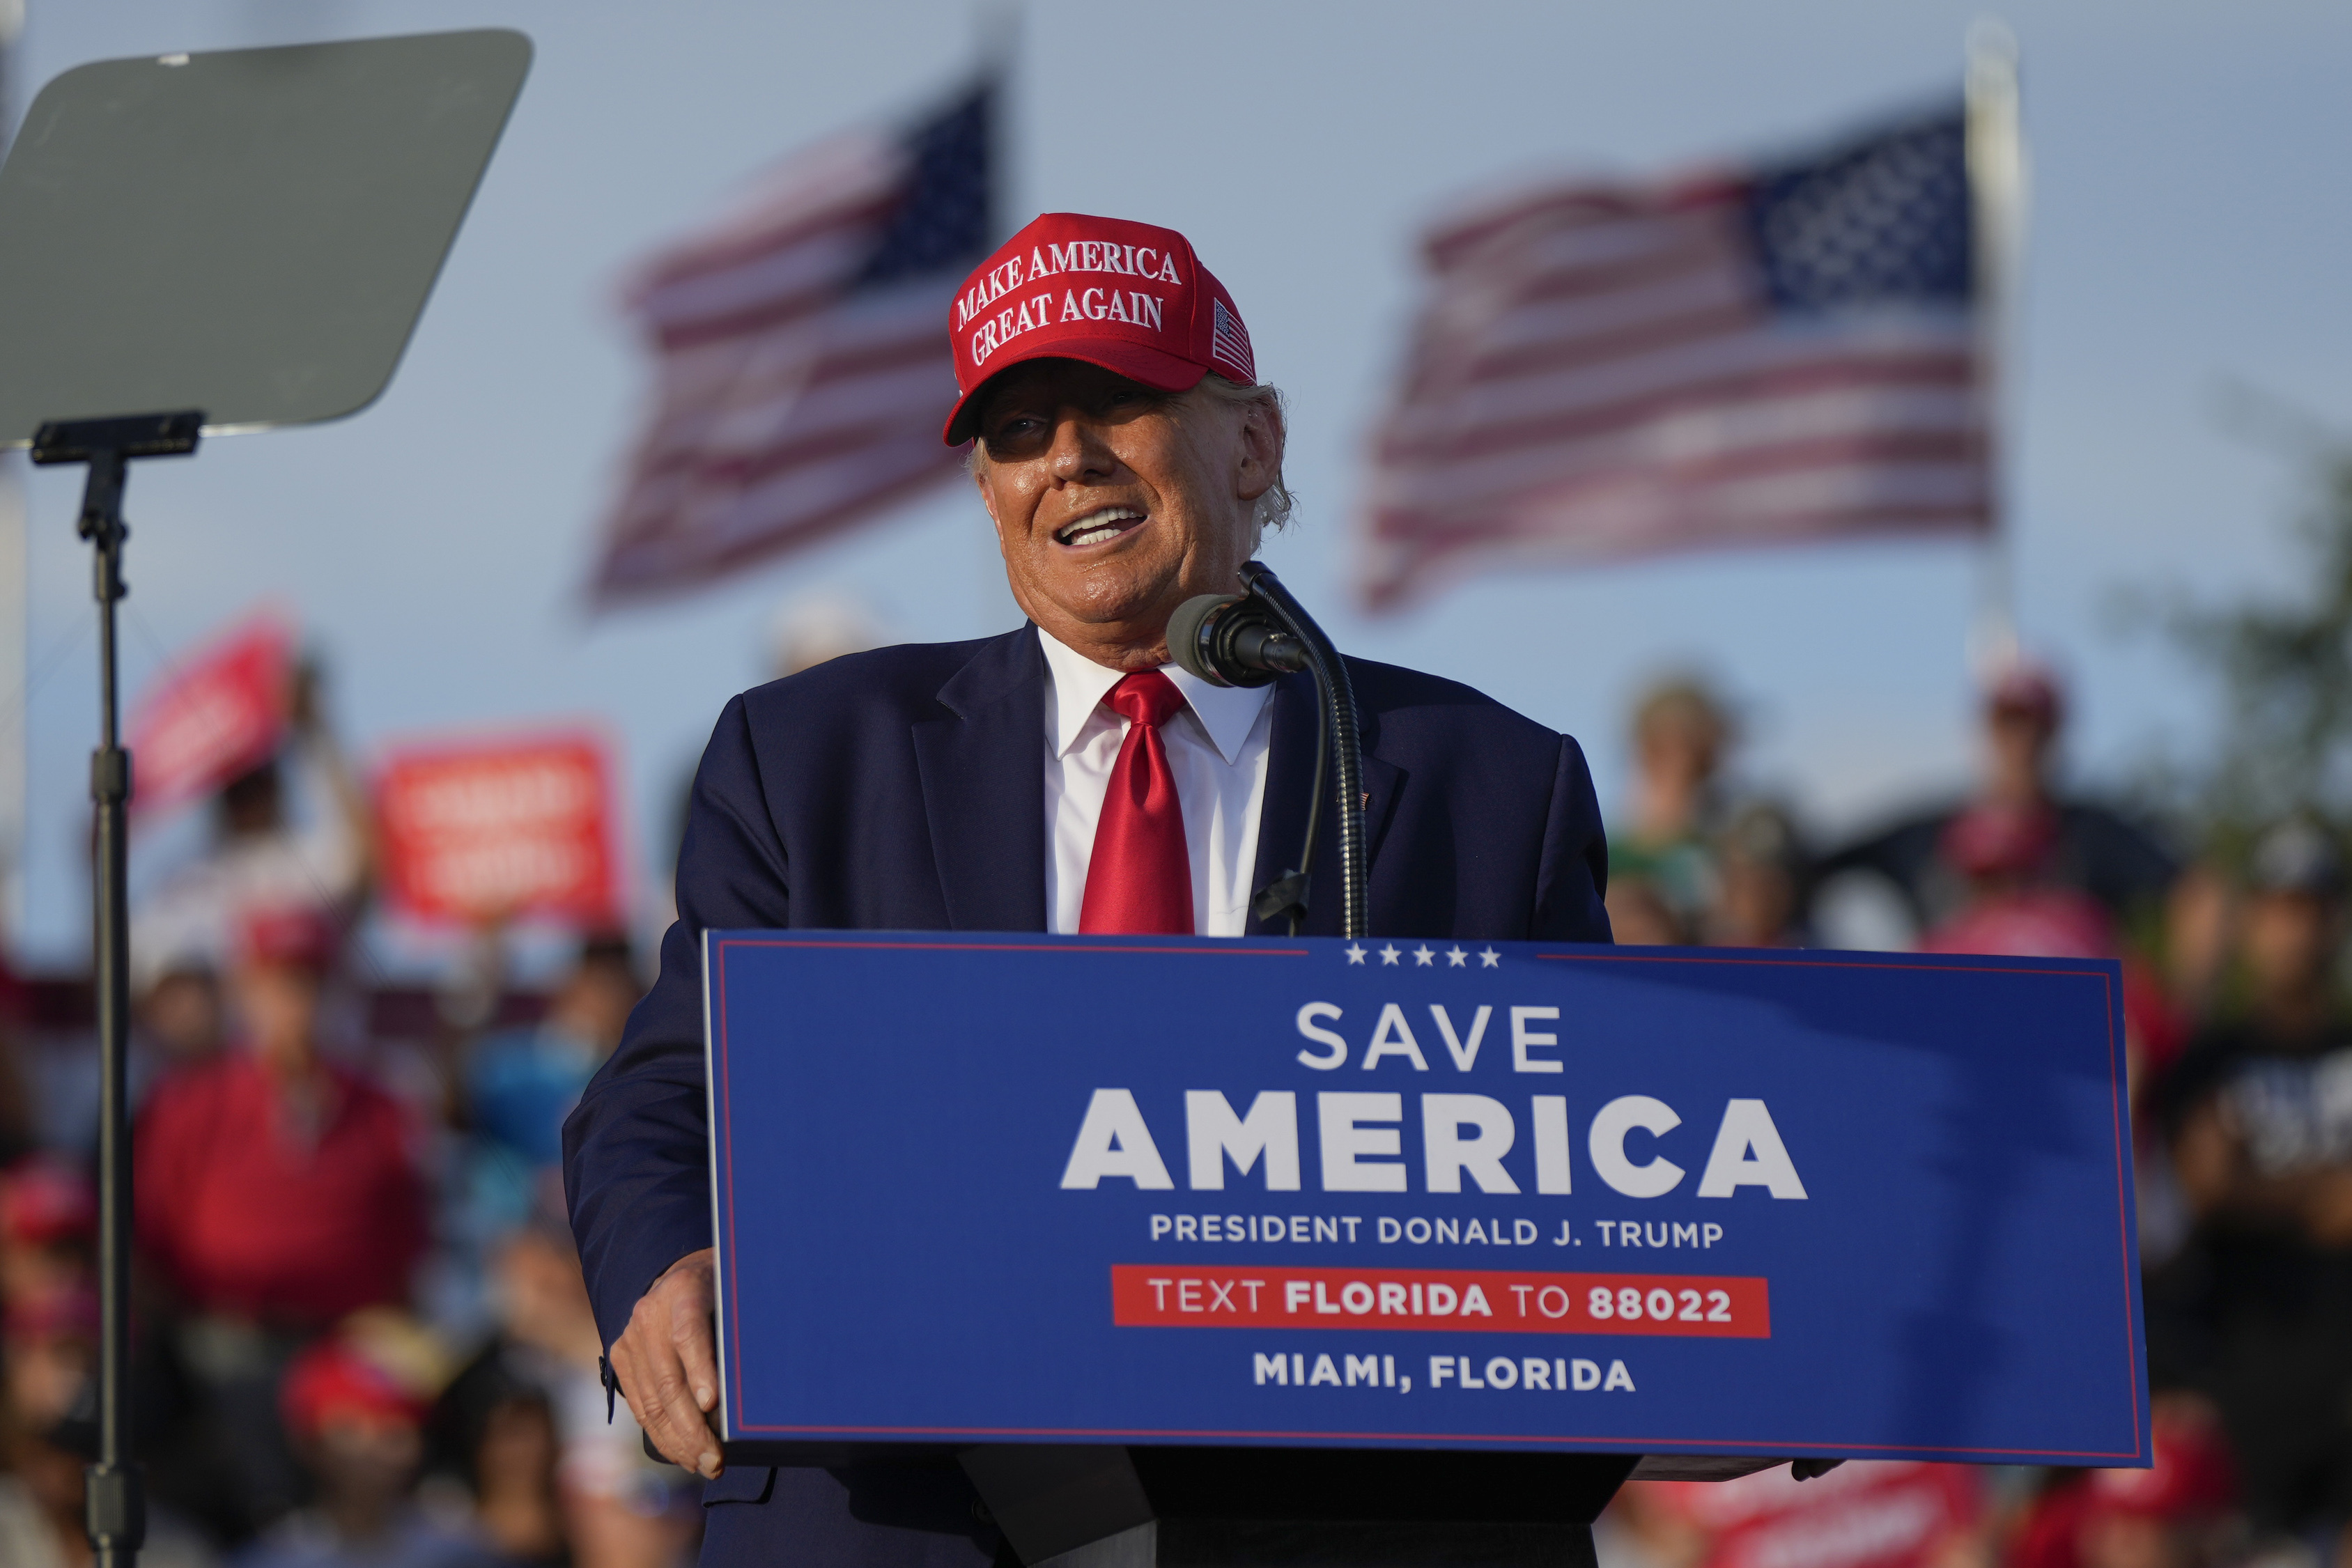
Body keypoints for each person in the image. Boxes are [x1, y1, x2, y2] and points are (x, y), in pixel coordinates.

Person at [564, 211, 1614, 1567]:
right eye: (1018, 430)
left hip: (1354, 1512)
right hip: (912, 1515)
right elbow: (665, 1096)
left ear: (1254, 443)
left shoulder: (1491, 781)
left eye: (1117, 403)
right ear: (989, 489)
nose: (1066, 457)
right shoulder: (810, 756)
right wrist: (666, 1265)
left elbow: (1584, 1156)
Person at [135, 905, 431, 1533]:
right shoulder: (191, 1102)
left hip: (344, 1339)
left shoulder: (380, 1106)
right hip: (221, 1341)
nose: (297, 1000)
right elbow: (150, 1240)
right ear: (245, 992)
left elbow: (407, 1242)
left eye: (310, 980)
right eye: (277, 981)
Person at [2156, 820, 2352, 1546]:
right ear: (2250, 923)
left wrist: (2247, 1187)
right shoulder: (2206, 1058)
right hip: (2242, 1398)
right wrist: (2316, 1192)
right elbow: (2184, 1201)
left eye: (2312, 909)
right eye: (2278, 909)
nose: (2295, 932)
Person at [1822, 662, 2176, 934]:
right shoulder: (1925, 835)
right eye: (2009, 724)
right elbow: (1817, 867)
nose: (2022, 742)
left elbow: (2189, 889)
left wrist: (2171, 1006)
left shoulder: (2093, 835)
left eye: (2035, 727)